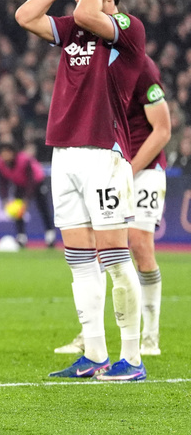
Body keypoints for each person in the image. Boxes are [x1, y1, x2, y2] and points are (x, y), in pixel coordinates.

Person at [14, 0, 147, 381]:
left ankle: (132, 358)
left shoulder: (127, 29)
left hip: (102, 155)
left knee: (113, 256)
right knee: (78, 260)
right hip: (65, 154)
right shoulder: (74, 31)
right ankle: (94, 354)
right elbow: (25, 15)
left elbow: (90, 11)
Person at [55, 54, 170, 357]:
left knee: (139, 245)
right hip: (107, 164)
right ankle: (90, 334)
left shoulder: (141, 65)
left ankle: (150, 336)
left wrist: (129, 171)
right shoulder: (93, 62)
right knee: (93, 247)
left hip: (142, 168)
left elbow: (162, 129)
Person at [0, 141, 55, 248]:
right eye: (2, 153)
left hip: (36, 182)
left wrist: (26, 200)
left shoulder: (24, 160)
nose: (4, 155)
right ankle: (21, 237)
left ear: (13, 152)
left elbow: (31, 180)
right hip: (20, 184)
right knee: (18, 211)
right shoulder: (0, 163)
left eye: (6, 152)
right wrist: (4, 198)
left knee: (43, 209)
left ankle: (50, 236)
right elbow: (2, 182)